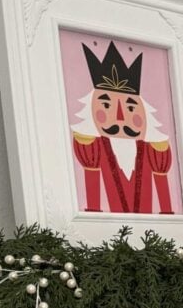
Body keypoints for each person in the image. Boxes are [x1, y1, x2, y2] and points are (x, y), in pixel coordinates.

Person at [71, 40, 175, 214]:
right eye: (106, 106)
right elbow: (93, 203)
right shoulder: (92, 149)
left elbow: (166, 205)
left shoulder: (155, 151)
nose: (119, 117)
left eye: (131, 108)